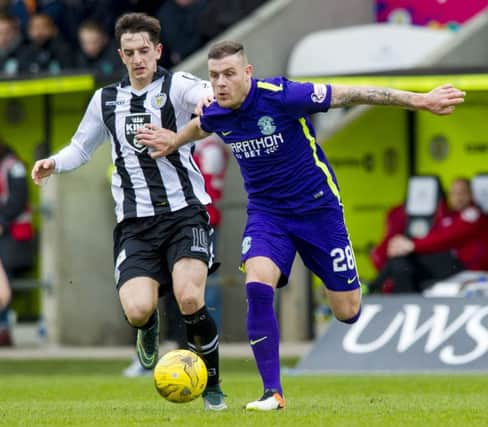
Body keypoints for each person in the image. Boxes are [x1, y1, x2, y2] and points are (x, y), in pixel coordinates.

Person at [134, 40, 466, 410]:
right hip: (267, 215)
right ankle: (272, 392)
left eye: (229, 74)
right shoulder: (216, 110)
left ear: (248, 72)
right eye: (213, 76)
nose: (220, 83)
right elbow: (201, 126)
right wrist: (175, 140)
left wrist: (419, 100)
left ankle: (336, 291)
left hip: (318, 211)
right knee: (258, 284)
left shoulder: (283, 95)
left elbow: (350, 93)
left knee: (348, 311)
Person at [31, 13, 226, 411]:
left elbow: (209, 101)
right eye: (130, 52)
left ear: (158, 51)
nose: (138, 59)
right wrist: (54, 162)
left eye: (144, 51)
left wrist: (206, 104)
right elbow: (81, 148)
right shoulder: (105, 100)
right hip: (135, 224)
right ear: (120, 55)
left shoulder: (178, 86)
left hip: (185, 213)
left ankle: (213, 386)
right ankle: (148, 325)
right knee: (137, 309)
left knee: (190, 298)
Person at [371, 177, 488, 293]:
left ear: (471, 195)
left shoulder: (473, 214)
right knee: (400, 262)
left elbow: (446, 238)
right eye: (454, 193)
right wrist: (408, 246)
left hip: (463, 266)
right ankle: (389, 293)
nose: (458, 198)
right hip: (447, 264)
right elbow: (433, 237)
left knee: (405, 258)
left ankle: (374, 287)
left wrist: (412, 245)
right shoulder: (449, 216)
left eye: (462, 193)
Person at [0, 140, 35, 346]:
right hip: (6, 234)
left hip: (14, 236)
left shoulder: (15, 167)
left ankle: (3, 329)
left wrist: (2, 221)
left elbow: (18, 199)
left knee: (5, 285)